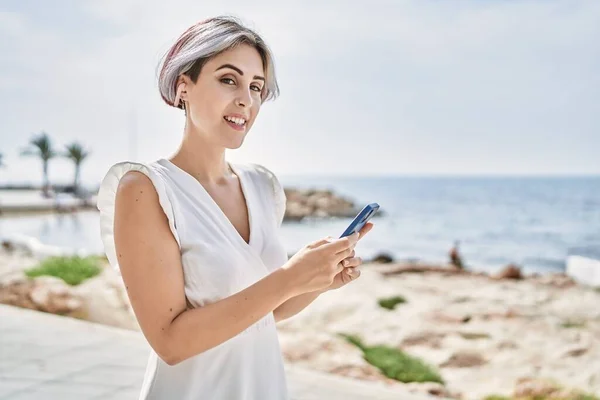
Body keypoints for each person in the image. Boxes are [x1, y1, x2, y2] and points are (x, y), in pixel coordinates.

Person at [97, 16, 373, 400]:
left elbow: (262, 312)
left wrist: (319, 280)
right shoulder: (146, 190)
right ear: (183, 87)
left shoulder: (263, 187)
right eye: (229, 80)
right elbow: (170, 342)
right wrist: (291, 277)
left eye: (256, 87)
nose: (246, 99)